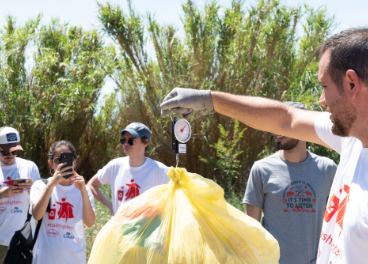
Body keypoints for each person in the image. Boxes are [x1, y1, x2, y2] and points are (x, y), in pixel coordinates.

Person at [160, 28, 368, 263]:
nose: (321, 100)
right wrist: (207, 99)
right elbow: (286, 118)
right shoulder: (351, 138)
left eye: (324, 86)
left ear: (351, 83)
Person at [243, 101, 337, 264]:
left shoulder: (327, 169)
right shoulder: (262, 169)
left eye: (284, 125)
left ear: (303, 127)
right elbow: (251, 231)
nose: (276, 131)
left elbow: (340, 221)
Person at [30, 140, 95, 264]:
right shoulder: (40, 185)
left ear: (74, 162)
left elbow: (90, 222)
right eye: (57, 160)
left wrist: (83, 192)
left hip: (74, 259)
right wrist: (51, 185)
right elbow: (37, 215)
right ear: (50, 163)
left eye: (67, 159)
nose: (62, 163)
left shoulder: (84, 190)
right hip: (44, 259)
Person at [88, 122, 169, 216]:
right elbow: (91, 184)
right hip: (119, 229)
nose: (126, 144)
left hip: (147, 229)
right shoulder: (115, 166)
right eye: (123, 140)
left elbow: (179, 195)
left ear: (145, 142)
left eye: (131, 140)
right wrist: (110, 206)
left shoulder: (159, 170)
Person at [0, 126, 40, 262]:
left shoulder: (30, 167)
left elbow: (42, 201)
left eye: (15, 151)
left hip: (23, 240)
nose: (10, 155)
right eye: (5, 152)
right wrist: (2, 194)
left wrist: (32, 189)